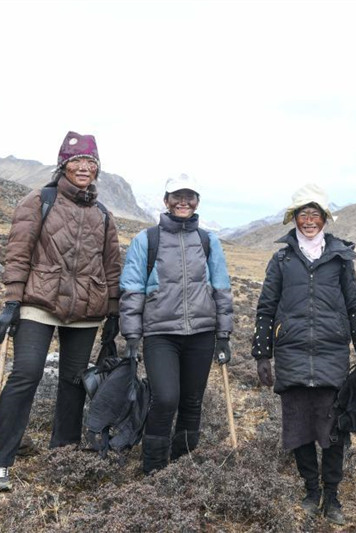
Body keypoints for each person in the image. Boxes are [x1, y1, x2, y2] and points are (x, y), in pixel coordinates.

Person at [0, 131, 122, 492]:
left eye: (90, 162)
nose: (84, 167)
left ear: (97, 169)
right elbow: (18, 252)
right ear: (63, 165)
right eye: (76, 161)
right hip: (38, 302)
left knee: (74, 383)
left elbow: (111, 266)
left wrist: (114, 312)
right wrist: (12, 302)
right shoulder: (39, 201)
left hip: (86, 310)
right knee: (25, 374)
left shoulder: (104, 215)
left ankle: (64, 454)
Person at [250, 183, 356, 526]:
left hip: (332, 354)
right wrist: (262, 354)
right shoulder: (281, 260)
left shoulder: (340, 259)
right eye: (303, 214)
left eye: (314, 214)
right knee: (299, 427)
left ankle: (331, 495)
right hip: (291, 354)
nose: (309, 220)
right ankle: (311, 490)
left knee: (334, 429)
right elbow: (265, 308)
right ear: (294, 218)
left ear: (324, 219)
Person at [119, 174, 233, 474]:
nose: (183, 202)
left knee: (192, 401)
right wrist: (131, 334)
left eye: (189, 196)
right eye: (177, 197)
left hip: (202, 334)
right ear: (166, 201)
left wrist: (223, 335)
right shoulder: (147, 239)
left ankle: (183, 466)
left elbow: (221, 287)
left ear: (197, 201)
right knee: (166, 398)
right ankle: (154, 469)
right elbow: (132, 288)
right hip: (160, 334)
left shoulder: (208, 241)